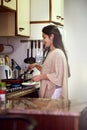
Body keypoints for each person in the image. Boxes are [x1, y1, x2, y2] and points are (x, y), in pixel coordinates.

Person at [28, 24, 70, 99]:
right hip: (52, 90)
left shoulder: (58, 53)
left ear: (52, 36)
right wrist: (36, 65)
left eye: (44, 37)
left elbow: (58, 75)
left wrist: (40, 77)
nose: (43, 41)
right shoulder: (52, 52)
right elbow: (49, 71)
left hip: (54, 92)